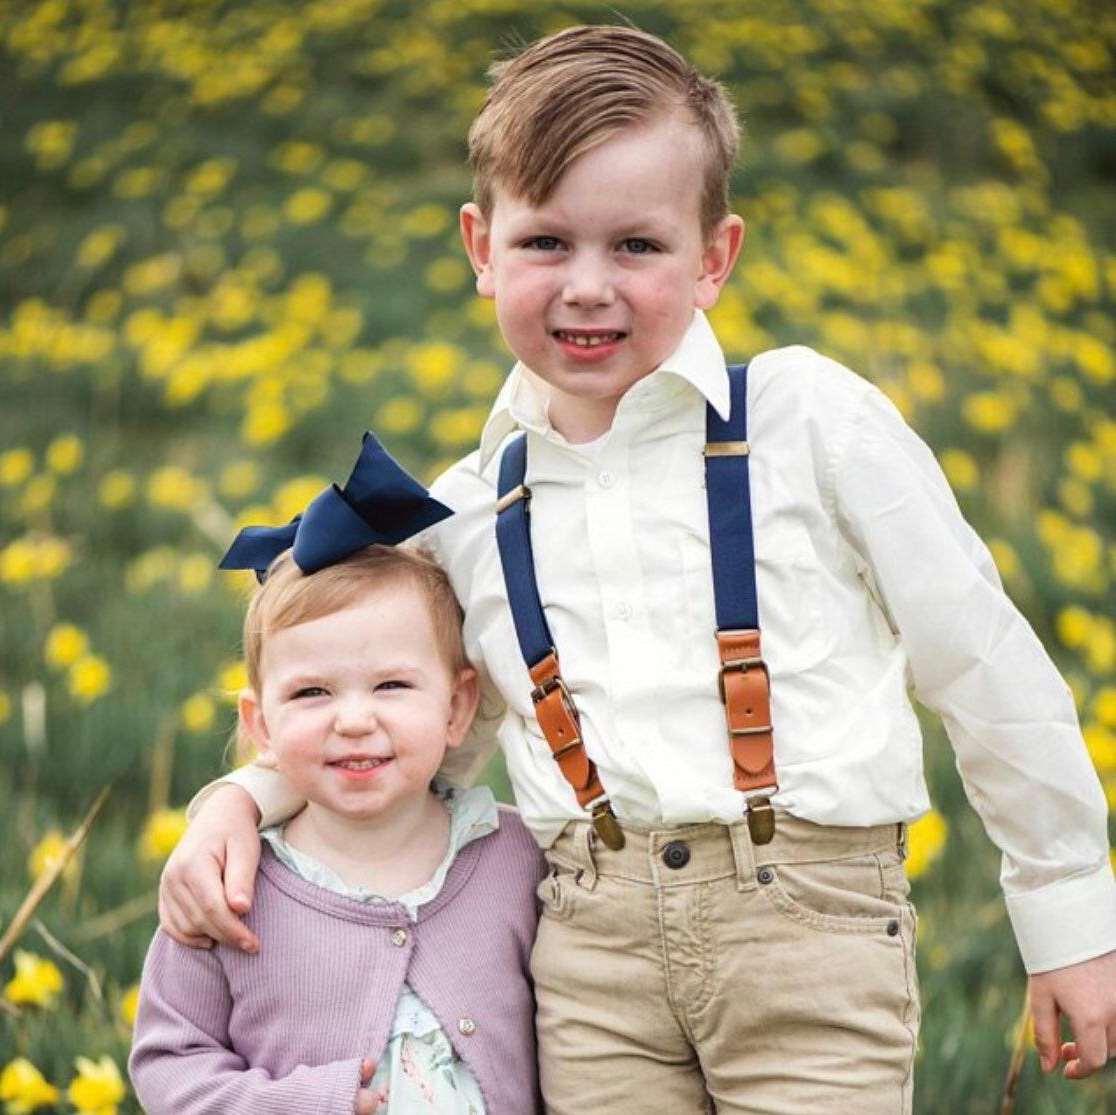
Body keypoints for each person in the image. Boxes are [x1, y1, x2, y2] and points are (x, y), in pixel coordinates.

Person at [157, 24, 1116, 1115]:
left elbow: (980, 662)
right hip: (588, 957)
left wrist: (1068, 912)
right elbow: (412, 726)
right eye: (545, 242)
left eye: (637, 246)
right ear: (480, 247)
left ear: (714, 257)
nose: (587, 287)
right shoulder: (466, 513)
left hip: (810, 934)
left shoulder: (811, 422)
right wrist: (239, 798)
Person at [130, 435, 544, 1114]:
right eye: (312, 693)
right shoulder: (229, 888)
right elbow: (170, 1063)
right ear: (261, 723)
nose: (353, 720)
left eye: (391, 685)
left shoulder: (518, 858)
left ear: (457, 706)